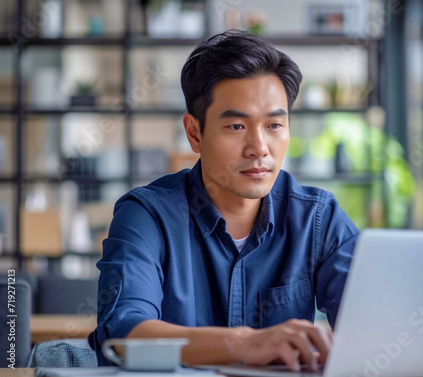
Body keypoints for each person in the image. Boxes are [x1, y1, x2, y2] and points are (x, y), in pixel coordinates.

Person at [88, 29, 359, 372]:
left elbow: (374, 327)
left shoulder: (318, 218)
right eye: (236, 127)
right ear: (195, 133)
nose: (259, 148)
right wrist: (247, 343)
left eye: (275, 125)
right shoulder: (147, 215)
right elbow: (124, 336)